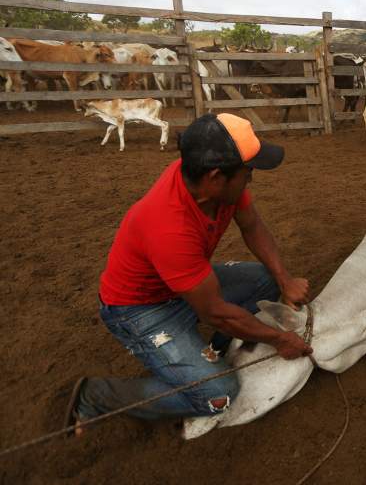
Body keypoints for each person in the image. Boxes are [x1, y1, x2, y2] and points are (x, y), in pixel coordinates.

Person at [66, 113, 313, 433]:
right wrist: (280, 340)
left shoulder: (220, 187)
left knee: (263, 280)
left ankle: (213, 352)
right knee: (217, 395)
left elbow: (252, 226)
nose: (250, 178)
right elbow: (215, 313)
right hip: (140, 310)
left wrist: (284, 279)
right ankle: (96, 396)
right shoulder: (168, 225)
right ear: (215, 178)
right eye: (247, 171)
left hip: (181, 286)